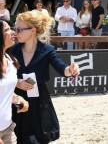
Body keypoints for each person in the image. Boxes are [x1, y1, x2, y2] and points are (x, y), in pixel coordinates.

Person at [10, 11, 80, 144]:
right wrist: (17, 82)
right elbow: (4, 75)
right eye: (15, 29)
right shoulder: (13, 50)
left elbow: (62, 69)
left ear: (33, 30)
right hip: (16, 99)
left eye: (19, 29)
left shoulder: (47, 50)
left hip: (38, 101)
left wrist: (71, 70)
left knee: (37, 136)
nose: (16, 32)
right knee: (16, 135)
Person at [0, 20, 29, 144]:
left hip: (8, 128)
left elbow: (5, 91)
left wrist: (18, 100)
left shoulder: (11, 61)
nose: (12, 32)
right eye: (6, 30)